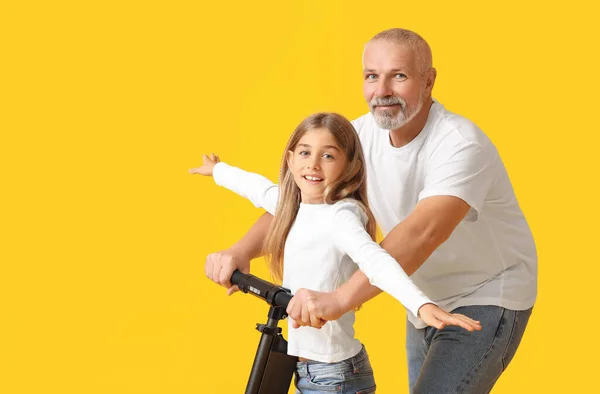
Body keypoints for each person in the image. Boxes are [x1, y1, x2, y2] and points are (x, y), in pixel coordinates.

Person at [198, 28, 537, 394]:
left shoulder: (459, 144)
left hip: (485, 294)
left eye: (400, 76)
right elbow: (304, 203)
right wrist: (240, 251)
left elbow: (422, 235)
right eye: (372, 76)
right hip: (418, 292)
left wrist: (340, 299)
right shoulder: (356, 139)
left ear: (429, 81)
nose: (383, 90)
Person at [191, 112, 482, 394]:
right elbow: (254, 186)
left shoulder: (341, 217)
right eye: (305, 153)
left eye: (328, 156)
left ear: (351, 168)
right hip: (306, 369)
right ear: (290, 160)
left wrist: (421, 304)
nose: (314, 165)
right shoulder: (288, 205)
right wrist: (217, 170)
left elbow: (378, 262)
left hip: (334, 377)